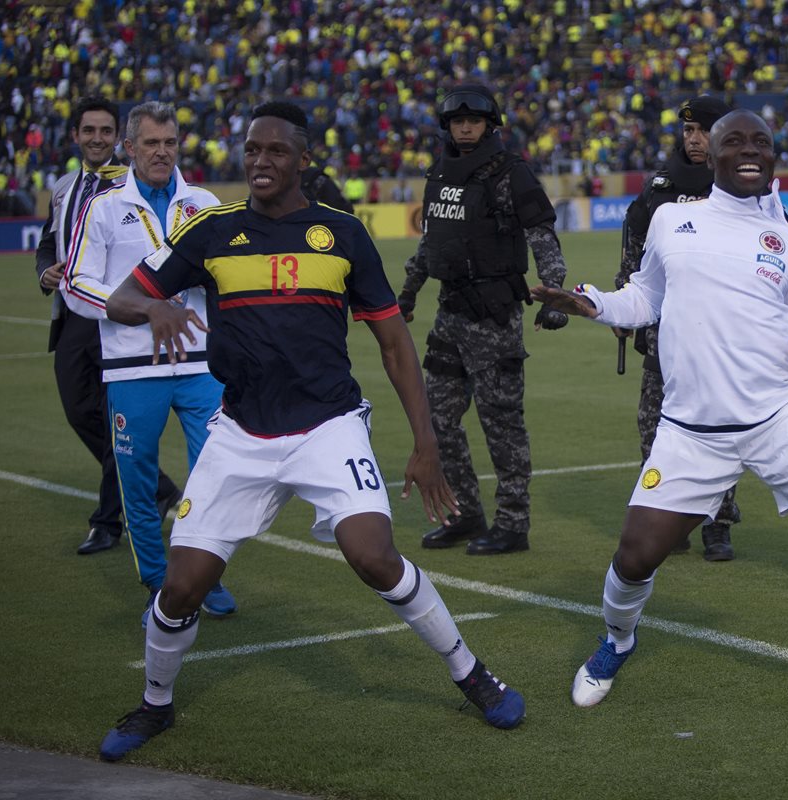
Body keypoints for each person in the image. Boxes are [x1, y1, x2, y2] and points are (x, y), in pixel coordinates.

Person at [95, 101, 525, 763]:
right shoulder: (211, 231)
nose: (260, 161)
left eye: (275, 151)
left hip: (327, 426)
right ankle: (155, 705)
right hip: (239, 434)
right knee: (181, 587)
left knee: (375, 555)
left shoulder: (342, 234)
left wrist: (426, 441)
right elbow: (125, 294)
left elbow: (392, 342)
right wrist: (153, 304)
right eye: (252, 150)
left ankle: (472, 674)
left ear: (302, 160)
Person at [532, 109, 788, 720]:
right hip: (690, 430)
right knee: (633, 557)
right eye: (735, 141)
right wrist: (587, 303)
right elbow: (645, 297)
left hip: (779, 418)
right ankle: (617, 642)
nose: (749, 150)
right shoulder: (673, 220)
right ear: (712, 154)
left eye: (762, 141)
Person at [62, 101, 236, 623]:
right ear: (129, 148)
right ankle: (160, 586)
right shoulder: (104, 207)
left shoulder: (203, 203)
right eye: (151, 143)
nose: (162, 152)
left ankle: (205, 578)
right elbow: (77, 283)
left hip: (202, 364)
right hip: (133, 369)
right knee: (136, 481)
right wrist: (142, 308)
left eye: (170, 143)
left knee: (216, 476)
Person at [398, 84, 569, 556]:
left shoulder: (510, 173)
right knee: (438, 420)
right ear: (448, 127)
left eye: (474, 120)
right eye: (458, 121)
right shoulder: (439, 175)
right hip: (449, 313)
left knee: (502, 423)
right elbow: (431, 244)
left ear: (490, 124)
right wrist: (408, 294)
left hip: (495, 316)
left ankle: (513, 524)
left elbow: (542, 237)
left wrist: (555, 295)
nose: (466, 127)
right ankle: (465, 513)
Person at [34, 96, 182, 555]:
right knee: (81, 411)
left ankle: (107, 520)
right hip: (73, 315)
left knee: (116, 417)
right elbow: (47, 242)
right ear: (76, 136)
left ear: (119, 140)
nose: (96, 139)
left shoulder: (131, 182)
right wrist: (46, 272)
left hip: (118, 315)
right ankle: (155, 485)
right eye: (88, 131)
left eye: (104, 132)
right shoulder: (63, 187)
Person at [615, 95, 740, 561]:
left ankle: (718, 524)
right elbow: (634, 248)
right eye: (688, 131)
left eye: (702, 130)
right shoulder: (660, 186)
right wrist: (624, 305)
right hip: (664, 335)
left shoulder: (742, 184)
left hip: (719, 334)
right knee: (655, 430)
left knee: (719, 431)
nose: (693, 139)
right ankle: (670, 521)